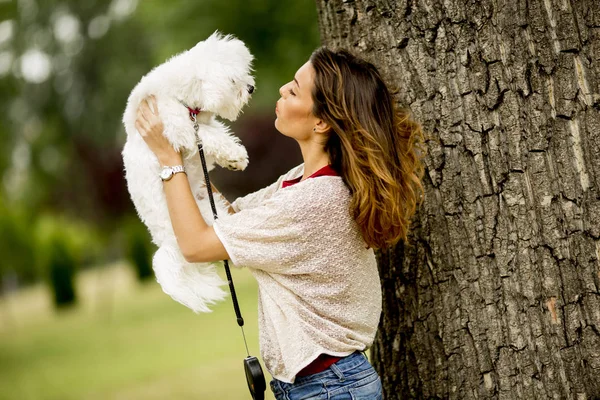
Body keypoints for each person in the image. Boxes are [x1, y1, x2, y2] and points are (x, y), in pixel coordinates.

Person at [135, 47, 425, 400]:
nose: (281, 90)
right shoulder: (302, 181)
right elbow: (231, 222)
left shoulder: (314, 201)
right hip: (325, 385)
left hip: (330, 387)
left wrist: (169, 160)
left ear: (320, 122)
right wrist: (184, 150)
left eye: (294, 90)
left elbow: (197, 245)